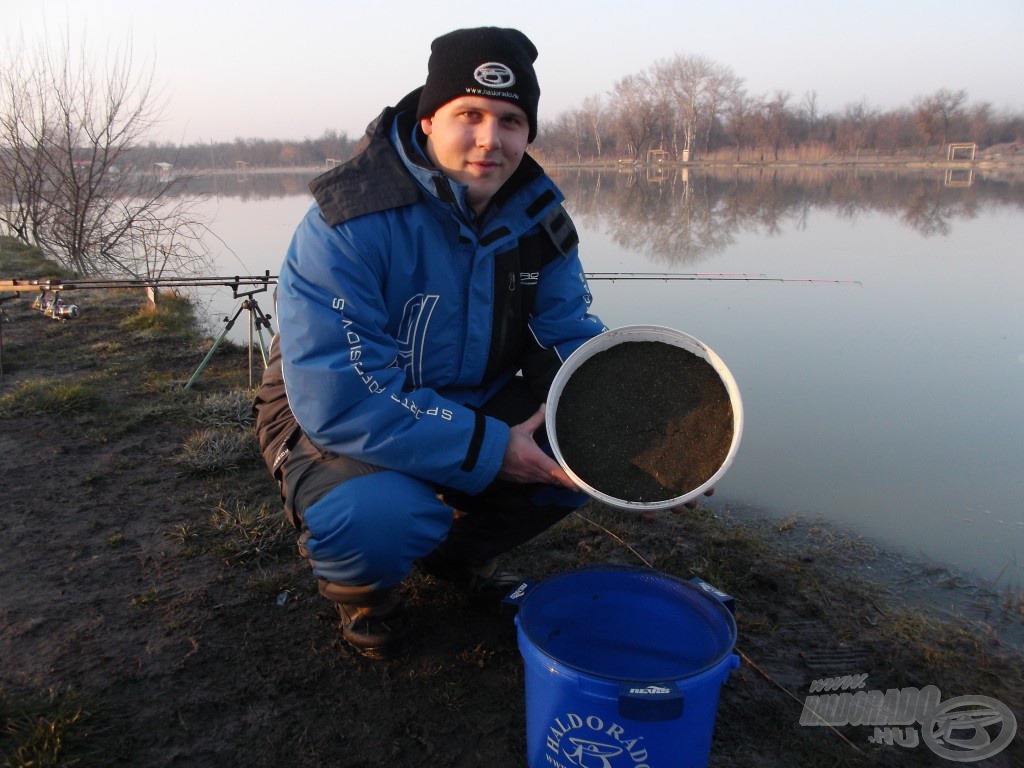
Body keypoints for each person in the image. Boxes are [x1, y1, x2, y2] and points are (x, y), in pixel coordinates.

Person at [252, 27, 605, 659]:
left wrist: (651, 451)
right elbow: (343, 399)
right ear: (427, 121)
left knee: (587, 443)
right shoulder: (346, 223)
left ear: (528, 135)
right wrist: (495, 449)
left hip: (467, 398)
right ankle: (368, 595)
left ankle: (459, 555)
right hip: (330, 416)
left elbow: (573, 341)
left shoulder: (542, 221)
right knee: (380, 516)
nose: (489, 140)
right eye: (468, 114)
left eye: (511, 120)